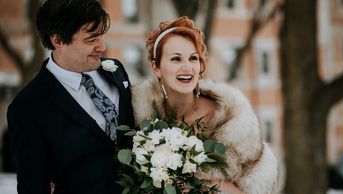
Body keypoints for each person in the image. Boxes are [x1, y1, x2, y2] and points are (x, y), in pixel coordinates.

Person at [131, 16, 279, 194]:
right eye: (176, 59)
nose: (187, 67)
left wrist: (199, 184)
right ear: (156, 68)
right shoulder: (139, 117)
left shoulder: (236, 123)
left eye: (193, 59)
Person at [7, 0, 135, 193]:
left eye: (101, 36)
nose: (102, 46)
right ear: (57, 40)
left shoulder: (115, 70)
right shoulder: (27, 107)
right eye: (91, 40)